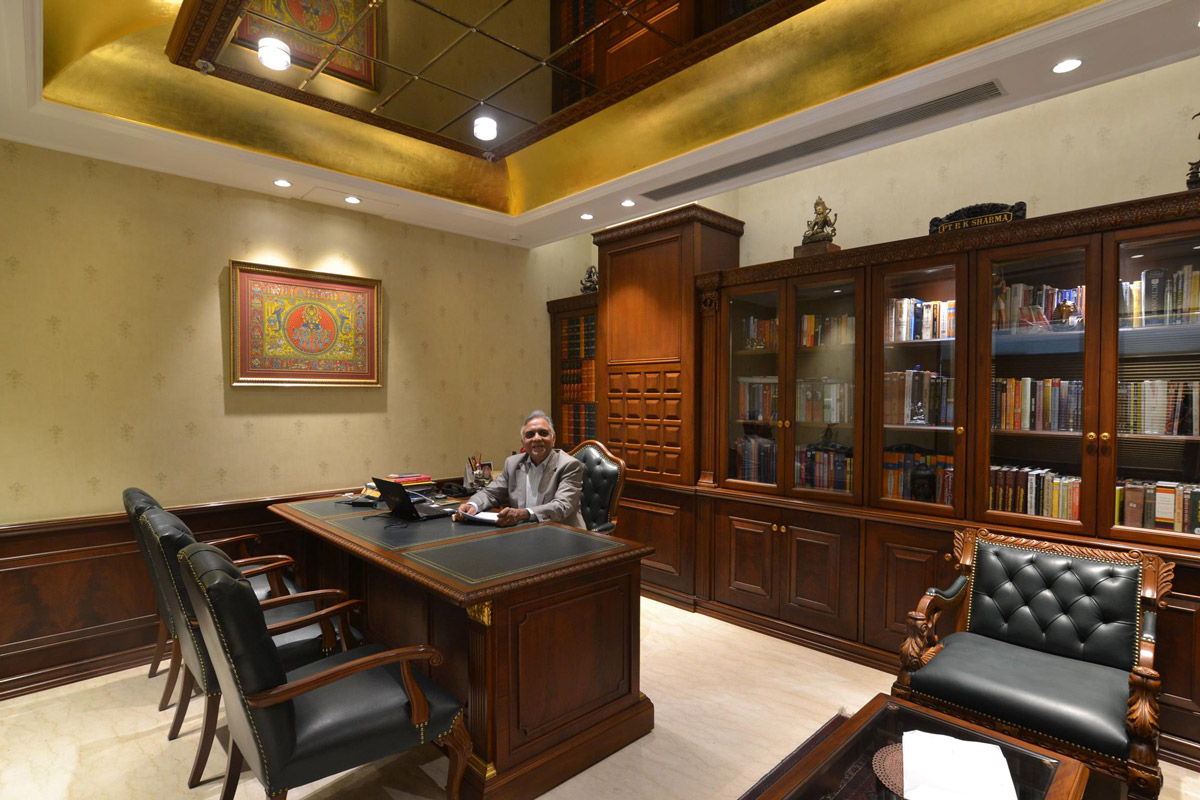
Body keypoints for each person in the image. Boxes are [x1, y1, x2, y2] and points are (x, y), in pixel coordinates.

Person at [455, 411, 585, 528]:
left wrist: (522, 514)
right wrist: (473, 505)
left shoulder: (569, 465)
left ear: (553, 439)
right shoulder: (512, 464)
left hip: (563, 534)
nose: (537, 438)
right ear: (523, 442)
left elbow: (561, 506)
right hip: (526, 532)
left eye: (543, 433)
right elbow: (491, 493)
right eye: (530, 435)